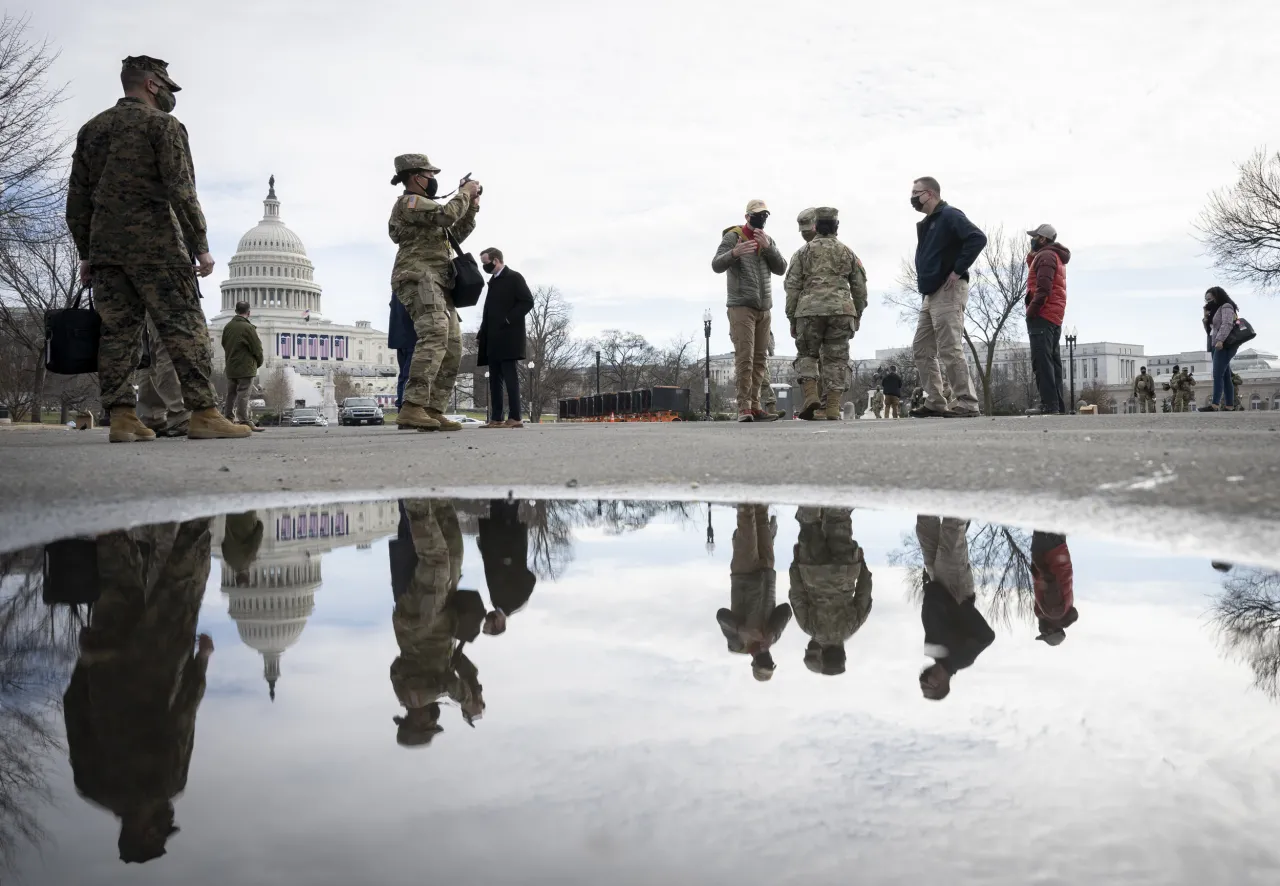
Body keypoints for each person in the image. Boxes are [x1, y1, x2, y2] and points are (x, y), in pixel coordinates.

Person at [65, 56, 249, 441]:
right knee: (185, 328)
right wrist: (200, 246)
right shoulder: (162, 125)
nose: (169, 94)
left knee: (117, 333)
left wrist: (86, 252)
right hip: (158, 246)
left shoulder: (92, 130)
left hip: (107, 249)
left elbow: (77, 199)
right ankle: (204, 413)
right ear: (151, 84)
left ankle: (121, 417)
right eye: (166, 87)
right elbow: (181, 189)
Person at [63, 519, 215, 863]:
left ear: (146, 831)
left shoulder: (166, 785)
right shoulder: (91, 785)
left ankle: (199, 508)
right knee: (118, 581)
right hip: (108, 662)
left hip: (156, 658)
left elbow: (182, 718)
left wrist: (201, 663)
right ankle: (108, 512)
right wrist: (86, 662)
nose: (170, 819)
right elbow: (73, 709)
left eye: (164, 828)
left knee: (182, 579)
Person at [387, 154, 481, 432]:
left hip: (438, 281)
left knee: (453, 345)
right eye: (428, 175)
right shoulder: (409, 203)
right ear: (415, 176)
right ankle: (412, 407)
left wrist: (472, 206)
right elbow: (446, 214)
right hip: (417, 277)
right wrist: (464, 192)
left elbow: (454, 232)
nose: (432, 179)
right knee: (435, 333)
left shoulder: (427, 210)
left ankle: (432, 409)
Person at [389, 499, 484, 747]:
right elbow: (461, 667)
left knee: (437, 564)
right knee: (453, 553)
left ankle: (417, 502)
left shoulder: (411, 697)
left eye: (430, 726)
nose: (435, 720)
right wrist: (475, 691)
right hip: (438, 618)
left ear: (417, 723)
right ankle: (438, 500)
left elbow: (446, 685)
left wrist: (465, 700)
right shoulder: (435, 683)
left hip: (417, 623)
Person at [908, 177, 987, 418]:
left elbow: (978, 238)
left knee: (949, 347)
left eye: (916, 193)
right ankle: (935, 401)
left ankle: (966, 401)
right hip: (930, 293)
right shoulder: (929, 222)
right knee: (921, 348)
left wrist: (957, 269)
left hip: (948, 289)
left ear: (930, 193)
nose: (912, 198)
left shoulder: (950, 215)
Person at [784, 207, 868, 421]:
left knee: (807, 355)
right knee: (836, 359)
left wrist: (792, 317)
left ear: (815, 227)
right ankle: (832, 407)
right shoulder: (848, 252)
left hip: (809, 311)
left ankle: (811, 395)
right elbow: (859, 287)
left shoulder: (802, 253)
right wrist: (857, 313)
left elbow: (792, 287)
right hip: (841, 311)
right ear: (836, 226)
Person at [712, 199, 787, 422]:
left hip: (764, 308)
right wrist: (734, 253)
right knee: (745, 357)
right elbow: (716, 265)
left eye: (764, 216)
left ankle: (755, 405)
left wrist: (769, 248)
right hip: (741, 305)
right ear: (747, 217)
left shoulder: (767, 240)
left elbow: (781, 268)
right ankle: (743, 407)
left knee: (760, 359)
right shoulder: (733, 237)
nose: (761, 219)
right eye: (756, 215)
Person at [916, 515, 992, 701]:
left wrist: (929, 587)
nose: (922, 683)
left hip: (937, 582)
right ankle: (962, 488)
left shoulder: (934, 652)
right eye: (928, 687)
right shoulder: (961, 659)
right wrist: (962, 605)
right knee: (952, 528)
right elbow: (986, 637)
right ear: (940, 685)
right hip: (955, 587)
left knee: (925, 528)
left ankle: (929, 489)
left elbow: (932, 617)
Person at [789, 507, 872, 676]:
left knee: (839, 522)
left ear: (844, 655)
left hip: (844, 571)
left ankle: (837, 492)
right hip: (813, 572)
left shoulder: (852, 627)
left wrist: (861, 565)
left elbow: (864, 593)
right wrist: (795, 566)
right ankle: (808, 489)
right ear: (822, 655)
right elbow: (797, 596)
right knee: (809, 524)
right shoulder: (809, 628)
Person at [717, 504, 792, 681]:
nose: (766, 658)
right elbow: (786, 610)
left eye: (763, 663)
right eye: (769, 662)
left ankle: (743, 488)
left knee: (746, 522)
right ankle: (759, 484)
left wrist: (742, 630)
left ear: (754, 663)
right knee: (761, 516)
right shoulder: (772, 637)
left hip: (744, 572)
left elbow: (721, 616)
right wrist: (774, 632)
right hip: (767, 571)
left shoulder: (737, 644)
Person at [477, 248, 534, 428]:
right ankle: (496, 417)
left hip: (508, 337)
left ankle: (516, 417)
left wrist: (509, 318)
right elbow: (488, 311)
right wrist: (482, 332)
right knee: (494, 379)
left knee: (510, 377)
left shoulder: (514, 277)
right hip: (493, 337)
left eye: (485, 262)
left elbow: (527, 301)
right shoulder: (493, 281)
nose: (484, 266)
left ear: (496, 260)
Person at [1024, 224, 1070, 416]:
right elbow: (1038, 276)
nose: (1032, 240)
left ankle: (1049, 404)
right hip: (1053, 315)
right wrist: (1031, 257)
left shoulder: (1046, 256)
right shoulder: (1053, 256)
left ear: (1042, 239)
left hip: (1042, 314)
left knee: (1042, 361)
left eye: (1035, 237)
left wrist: (1031, 311)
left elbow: (1043, 288)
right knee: (1052, 361)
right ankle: (1056, 404)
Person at [477, 498, 537, 635]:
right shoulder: (516, 603)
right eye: (488, 624)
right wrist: (511, 564)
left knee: (496, 507)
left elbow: (492, 572)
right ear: (498, 625)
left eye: (484, 624)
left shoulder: (495, 603)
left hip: (495, 542)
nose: (485, 621)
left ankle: (499, 484)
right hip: (510, 543)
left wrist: (484, 550)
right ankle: (511, 484)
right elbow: (531, 580)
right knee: (509, 509)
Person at [137, 317, 190, 437]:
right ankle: (177, 413)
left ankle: (153, 414)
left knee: (150, 352)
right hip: (163, 301)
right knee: (167, 345)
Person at [220, 301, 264, 431]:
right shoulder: (248, 328)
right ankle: (244, 420)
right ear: (249, 312)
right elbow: (257, 348)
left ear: (236, 311)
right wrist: (258, 363)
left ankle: (228, 419)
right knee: (243, 394)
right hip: (245, 367)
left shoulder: (228, 326)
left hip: (231, 366)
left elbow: (224, 343)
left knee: (231, 394)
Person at [1030, 531, 1077, 646]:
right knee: (1041, 515)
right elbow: (1049, 581)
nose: (1040, 629)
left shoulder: (1064, 611)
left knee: (1056, 515)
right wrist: (1038, 561)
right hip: (1049, 552)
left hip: (1058, 550)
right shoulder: (1054, 612)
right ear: (1051, 630)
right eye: (1043, 633)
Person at [1202, 286, 1242, 412]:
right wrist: (1205, 317)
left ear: (1217, 295)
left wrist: (1220, 340)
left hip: (1224, 344)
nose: (1208, 301)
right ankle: (1230, 405)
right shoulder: (1215, 309)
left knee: (1217, 373)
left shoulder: (1226, 306)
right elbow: (1210, 331)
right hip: (1216, 344)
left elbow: (1227, 323)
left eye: (1210, 298)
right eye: (1206, 299)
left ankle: (1215, 404)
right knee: (1225, 375)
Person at [387, 289, 416, 412]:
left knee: (404, 376)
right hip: (413, 336)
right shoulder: (414, 289)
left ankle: (401, 408)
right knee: (410, 375)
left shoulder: (397, 290)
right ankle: (406, 409)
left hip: (400, 338)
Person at [759, 331, 778, 416]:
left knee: (765, 381)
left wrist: (771, 350)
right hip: (749, 354)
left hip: (759, 354)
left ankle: (772, 408)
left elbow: (767, 331)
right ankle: (751, 409)